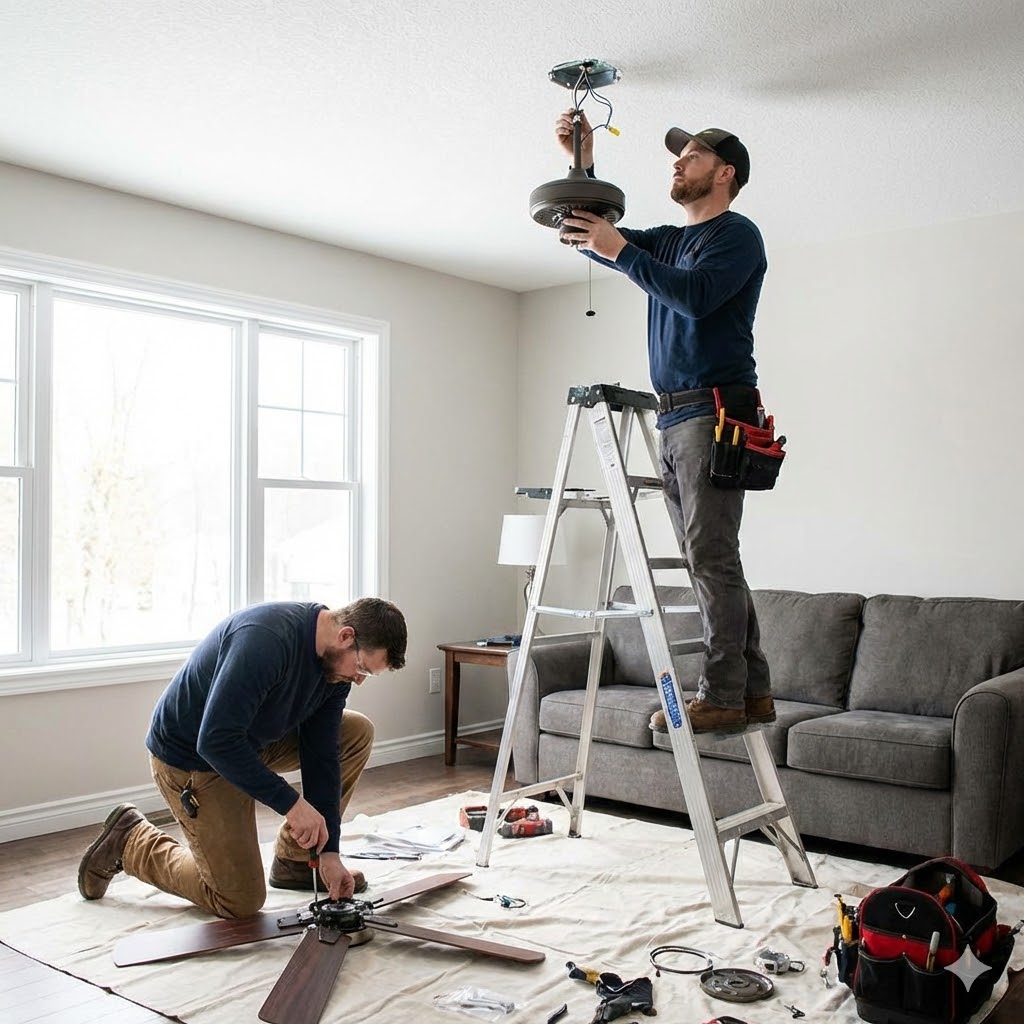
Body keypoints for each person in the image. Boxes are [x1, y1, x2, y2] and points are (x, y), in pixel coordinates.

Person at [555, 110, 775, 736]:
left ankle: (724, 696)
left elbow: (695, 296)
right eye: (678, 156)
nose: (677, 163)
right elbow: (591, 231)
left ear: (724, 172)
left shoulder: (737, 235)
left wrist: (620, 251)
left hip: (714, 409)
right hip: (676, 412)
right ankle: (753, 692)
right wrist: (583, 163)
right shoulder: (669, 240)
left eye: (693, 155)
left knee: (711, 557)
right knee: (709, 557)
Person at [77, 597, 407, 918]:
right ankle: (130, 841)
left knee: (354, 731)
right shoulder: (266, 640)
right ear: (345, 635)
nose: (359, 679)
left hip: (250, 742)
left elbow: (322, 754)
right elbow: (216, 740)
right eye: (362, 667)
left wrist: (329, 852)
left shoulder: (333, 668)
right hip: (194, 759)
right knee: (238, 900)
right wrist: (293, 805)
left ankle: (296, 860)